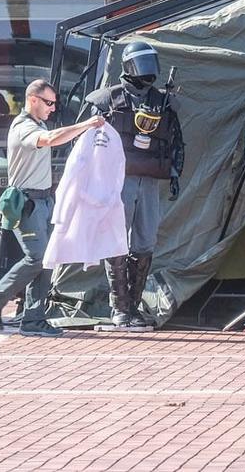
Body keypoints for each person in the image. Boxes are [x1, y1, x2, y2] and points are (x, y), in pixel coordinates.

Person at [0, 79, 104, 336]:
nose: (52, 108)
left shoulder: (38, 123)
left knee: (46, 260)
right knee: (36, 257)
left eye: (54, 103)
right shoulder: (24, 126)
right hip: (27, 203)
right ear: (33, 99)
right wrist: (86, 125)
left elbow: (52, 135)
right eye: (48, 102)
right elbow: (49, 139)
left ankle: (33, 318)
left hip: (43, 201)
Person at [87, 40, 185, 329]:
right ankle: (119, 307)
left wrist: (176, 172)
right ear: (129, 66)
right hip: (118, 180)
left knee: (144, 242)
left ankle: (133, 305)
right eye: (143, 63)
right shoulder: (107, 100)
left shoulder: (163, 101)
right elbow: (90, 143)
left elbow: (176, 140)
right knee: (116, 240)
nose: (148, 71)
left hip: (149, 179)